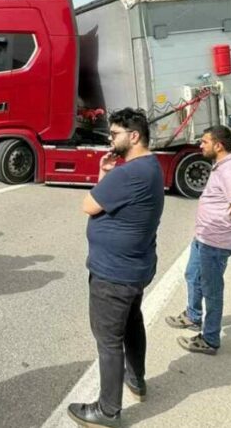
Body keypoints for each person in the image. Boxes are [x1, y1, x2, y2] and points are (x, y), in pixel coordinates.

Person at [68, 108, 164, 428]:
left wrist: (107, 174)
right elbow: (105, 204)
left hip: (114, 274)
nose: (110, 139)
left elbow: (89, 205)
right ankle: (136, 380)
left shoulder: (129, 173)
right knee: (132, 324)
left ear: (133, 136)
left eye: (114, 134)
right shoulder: (150, 166)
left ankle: (108, 411)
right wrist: (106, 172)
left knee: (108, 339)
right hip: (134, 268)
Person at [165, 126, 231, 355]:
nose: (200, 145)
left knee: (212, 291)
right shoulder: (221, 166)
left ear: (218, 145)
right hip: (204, 237)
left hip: (215, 242)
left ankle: (210, 339)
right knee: (192, 275)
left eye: (204, 142)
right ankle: (193, 316)